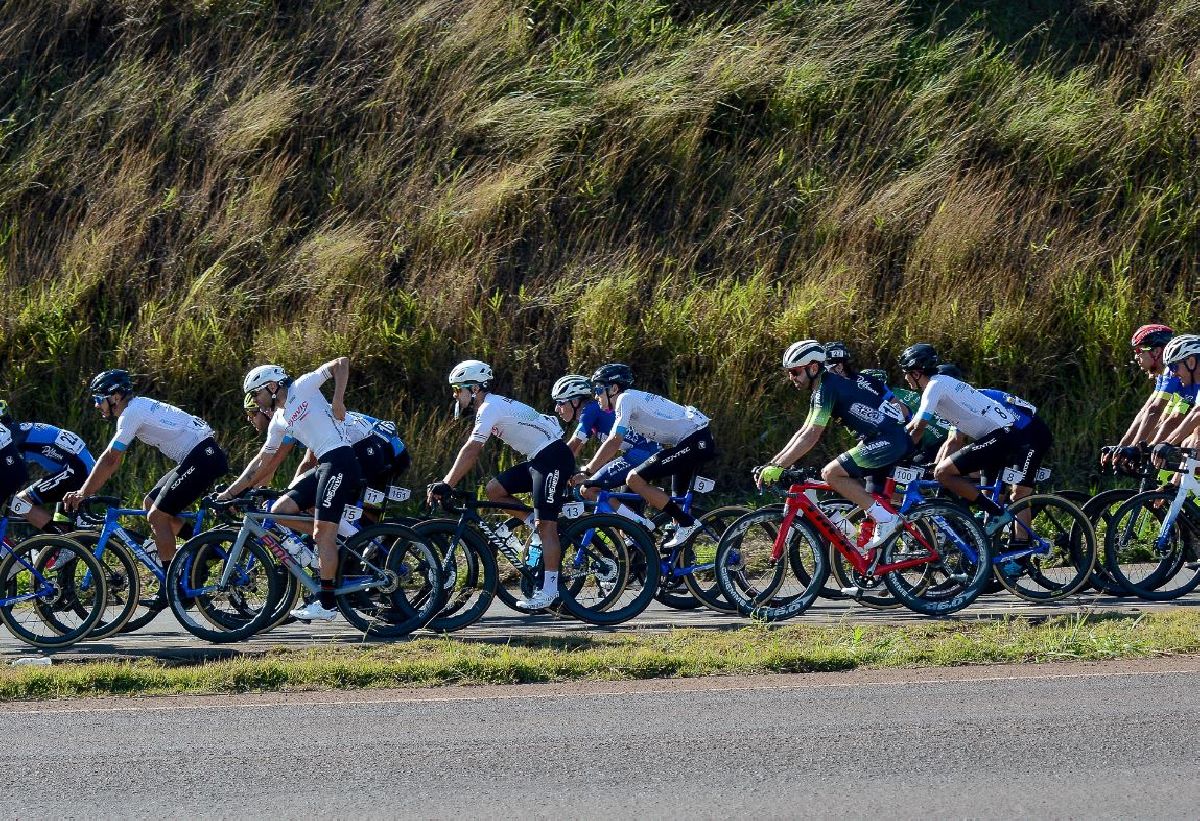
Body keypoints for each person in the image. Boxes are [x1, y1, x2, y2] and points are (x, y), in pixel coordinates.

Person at [216, 359, 360, 622]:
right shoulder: (279, 420)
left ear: (272, 386)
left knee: (321, 534)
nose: (255, 402)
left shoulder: (302, 386)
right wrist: (231, 492)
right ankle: (343, 537)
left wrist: (338, 400)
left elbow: (341, 363)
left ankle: (327, 604)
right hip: (325, 465)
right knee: (279, 511)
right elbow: (262, 460)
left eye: (256, 395)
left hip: (340, 459)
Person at [428, 359, 574, 611]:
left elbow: (472, 449)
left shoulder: (489, 408)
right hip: (540, 457)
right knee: (494, 490)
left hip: (552, 457)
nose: (455, 396)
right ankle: (534, 527)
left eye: (457, 390)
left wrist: (447, 483)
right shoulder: (492, 405)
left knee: (546, 524)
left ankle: (549, 590)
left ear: (473, 389)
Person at [63, 370, 228, 588]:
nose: (96, 405)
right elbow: (114, 459)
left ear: (115, 397)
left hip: (202, 457)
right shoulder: (137, 406)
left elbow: (111, 458)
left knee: (157, 516)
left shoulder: (132, 413)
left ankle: (172, 587)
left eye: (98, 399)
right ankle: (207, 549)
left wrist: (83, 493)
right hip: (201, 455)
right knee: (151, 504)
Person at [755, 341, 909, 552]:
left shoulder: (828, 387)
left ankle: (887, 519)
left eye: (795, 371)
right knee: (864, 491)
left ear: (813, 368)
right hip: (881, 439)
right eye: (789, 373)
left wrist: (780, 466)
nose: (791, 377)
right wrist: (773, 463)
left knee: (831, 473)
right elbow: (802, 431)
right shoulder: (822, 389)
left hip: (888, 439)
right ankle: (877, 547)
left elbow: (811, 435)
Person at [898, 344, 1052, 534]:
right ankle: (990, 547)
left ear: (916, 373)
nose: (904, 377)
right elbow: (928, 431)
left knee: (944, 473)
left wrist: (895, 451)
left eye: (906, 373)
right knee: (987, 493)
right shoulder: (944, 385)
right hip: (1000, 434)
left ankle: (1006, 525)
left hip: (1018, 433)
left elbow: (919, 426)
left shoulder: (935, 385)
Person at [577, 363, 715, 549]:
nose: (596, 395)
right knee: (677, 509)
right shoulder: (632, 399)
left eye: (599, 389)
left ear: (614, 388)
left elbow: (614, 441)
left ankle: (687, 523)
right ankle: (679, 567)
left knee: (634, 478)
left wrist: (588, 470)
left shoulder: (625, 399)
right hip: (690, 441)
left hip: (695, 441)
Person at [552, 374, 660, 521]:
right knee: (625, 504)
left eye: (560, 402)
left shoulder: (590, 410)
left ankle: (638, 526)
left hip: (641, 453)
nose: (557, 409)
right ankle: (633, 532)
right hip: (643, 451)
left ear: (575, 401)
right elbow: (574, 451)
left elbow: (573, 444)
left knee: (589, 489)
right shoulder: (595, 411)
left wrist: (549, 465)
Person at [0, 401, 95, 532]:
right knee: (62, 522)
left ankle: (61, 541)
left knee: (20, 502)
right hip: (80, 466)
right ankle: (67, 545)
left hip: (76, 468)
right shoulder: (18, 430)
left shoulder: (9, 437)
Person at [1106, 324, 1176, 468]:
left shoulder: (1173, 370)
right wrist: (1122, 446)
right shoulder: (1163, 374)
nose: (1136, 357)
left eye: (1139, 350)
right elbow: (1146, 411)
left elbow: (1156, 412)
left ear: (1157, 351)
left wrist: (1135, 449)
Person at [1150, 334, 1200, 472]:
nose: (1172, 374)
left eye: (1173, 366)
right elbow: (1178, 417)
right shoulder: (1191, 388)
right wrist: (1154, 446)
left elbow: (1197, 413)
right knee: (1189, 443)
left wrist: (1167, 443)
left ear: (1191, 362)